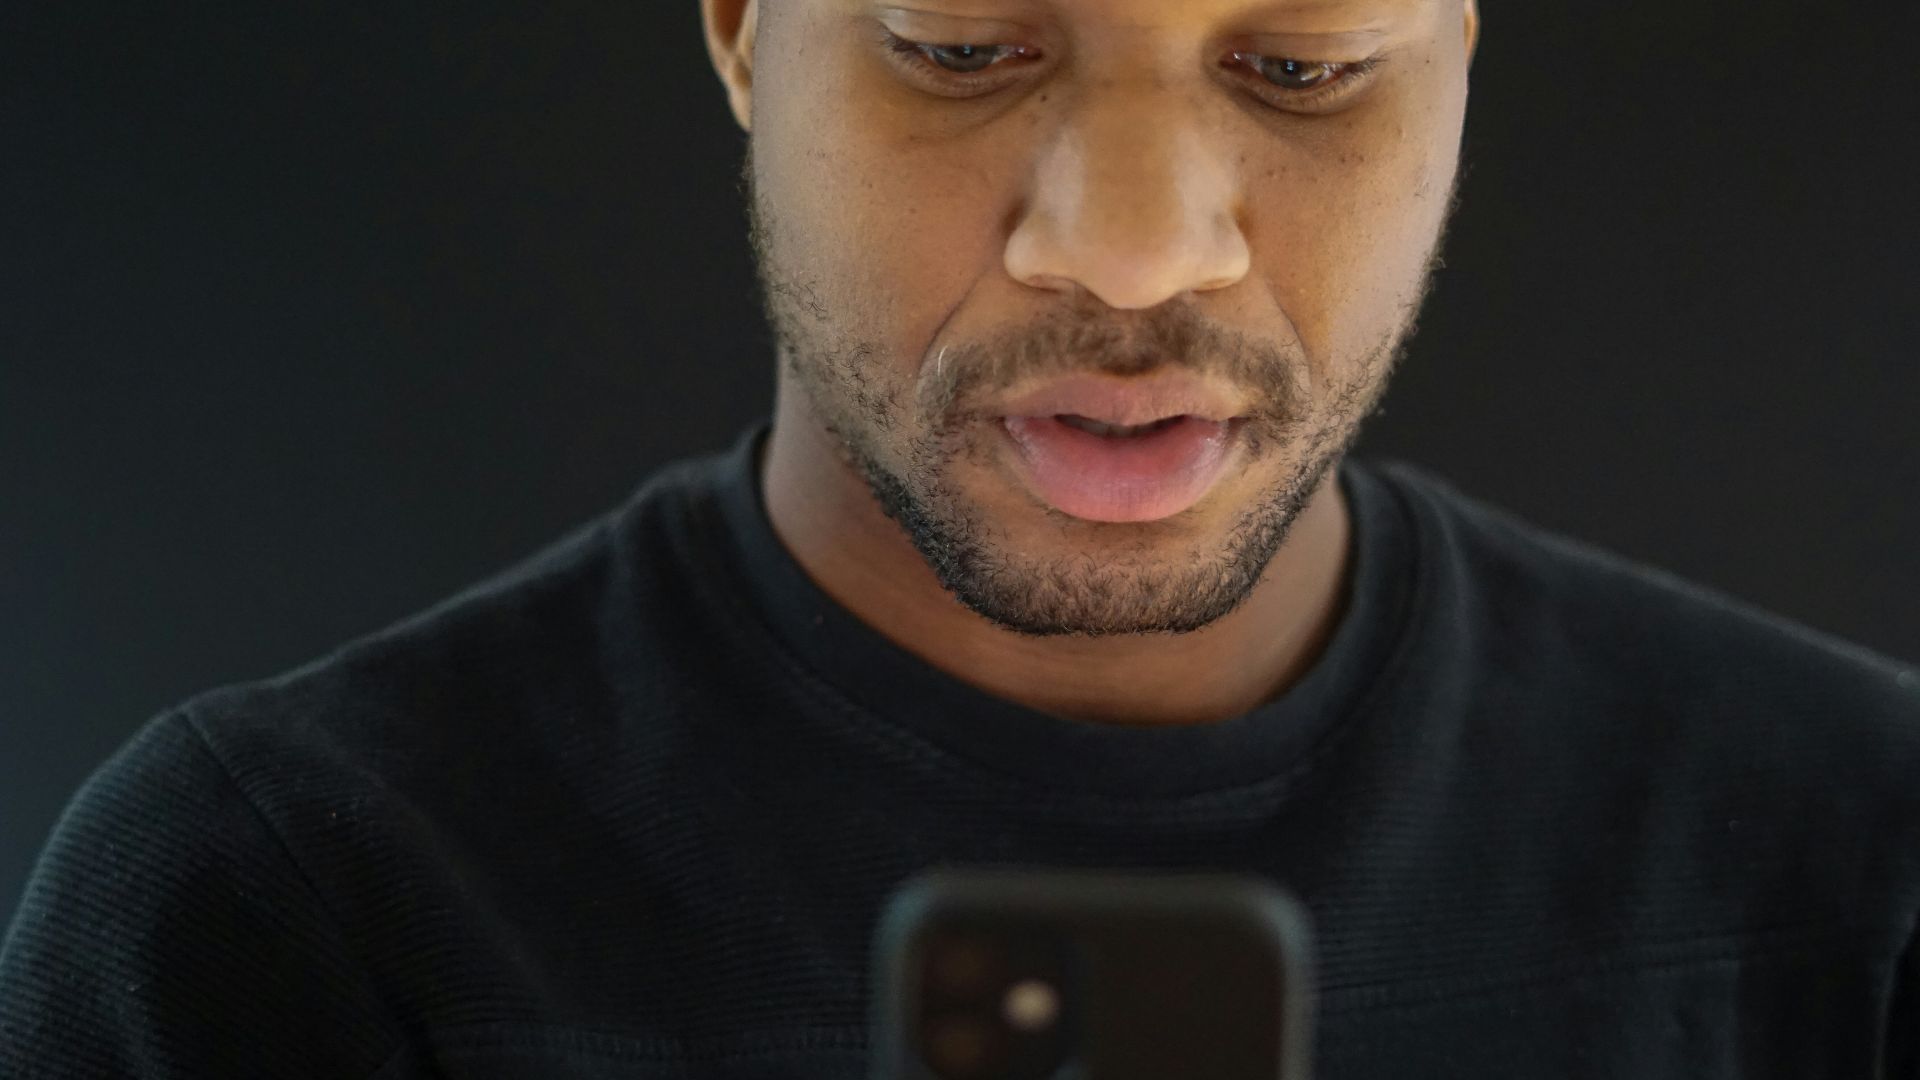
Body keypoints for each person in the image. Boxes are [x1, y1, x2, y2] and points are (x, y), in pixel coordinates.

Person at [3, 0, 1916, 1075]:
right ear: (748, 29)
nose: (1136, 246)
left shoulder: (1865, 873)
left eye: (1306, 66)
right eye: (963, 43)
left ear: (1462, 53)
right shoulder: (276, 930)